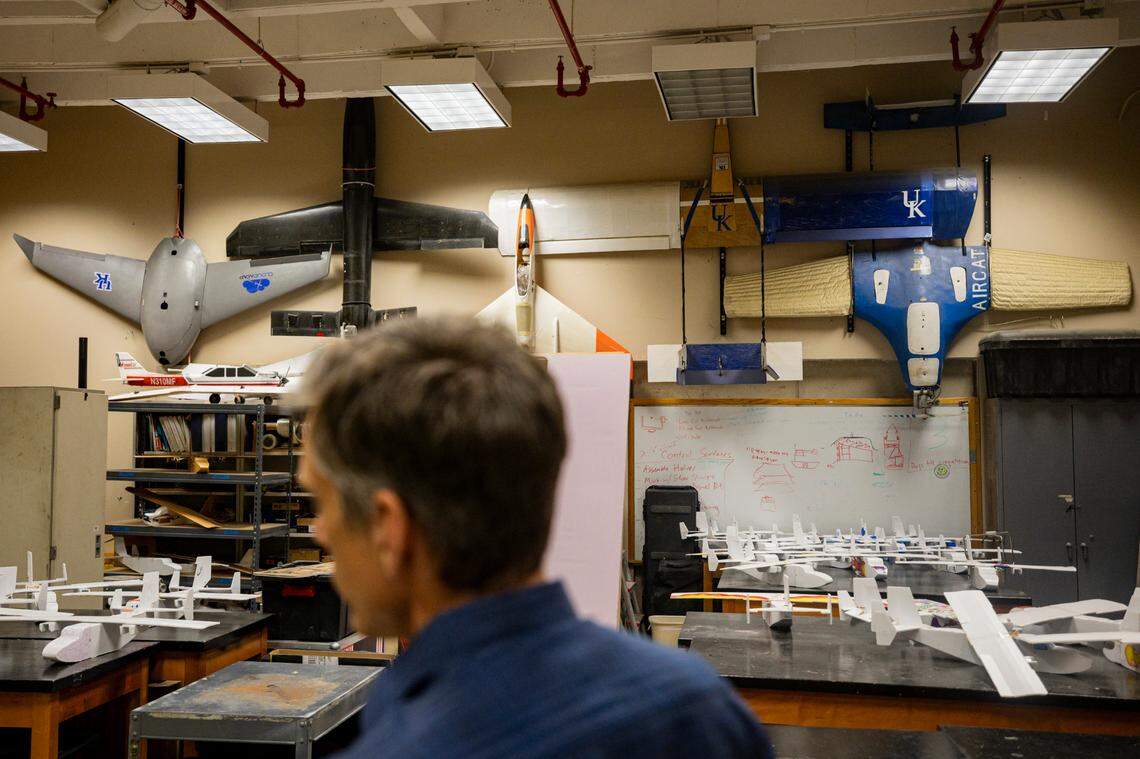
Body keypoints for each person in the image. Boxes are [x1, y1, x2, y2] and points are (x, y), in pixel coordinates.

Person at [299, 316, 772, 759]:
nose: (320, 531)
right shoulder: (701, 708)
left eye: (322, 503)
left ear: (389, 527)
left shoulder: (402, 746)